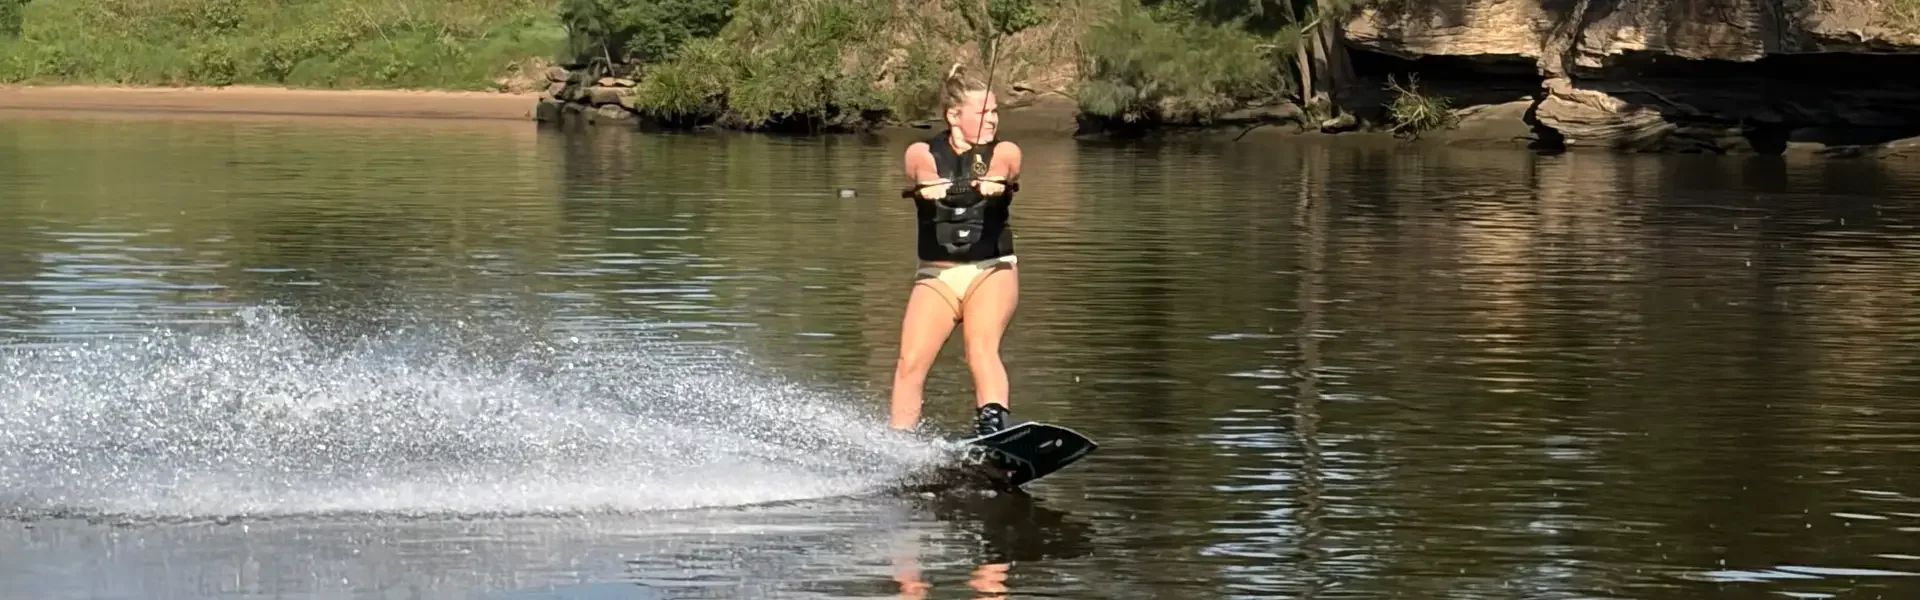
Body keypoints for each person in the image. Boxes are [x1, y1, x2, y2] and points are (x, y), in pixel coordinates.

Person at [889, 63, 1024, 438]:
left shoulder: (1004, 150)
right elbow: (919, 168)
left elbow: (1007, 164)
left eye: (995, 111)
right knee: (909, 362)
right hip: (938, 275)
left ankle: (994, 430)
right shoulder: (923, 151)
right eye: (983, 113)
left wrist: (995, 181)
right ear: (954, 116)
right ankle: (899, 444)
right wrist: (930, 185)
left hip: (990, 269)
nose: (993, 119)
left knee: (979, 346)